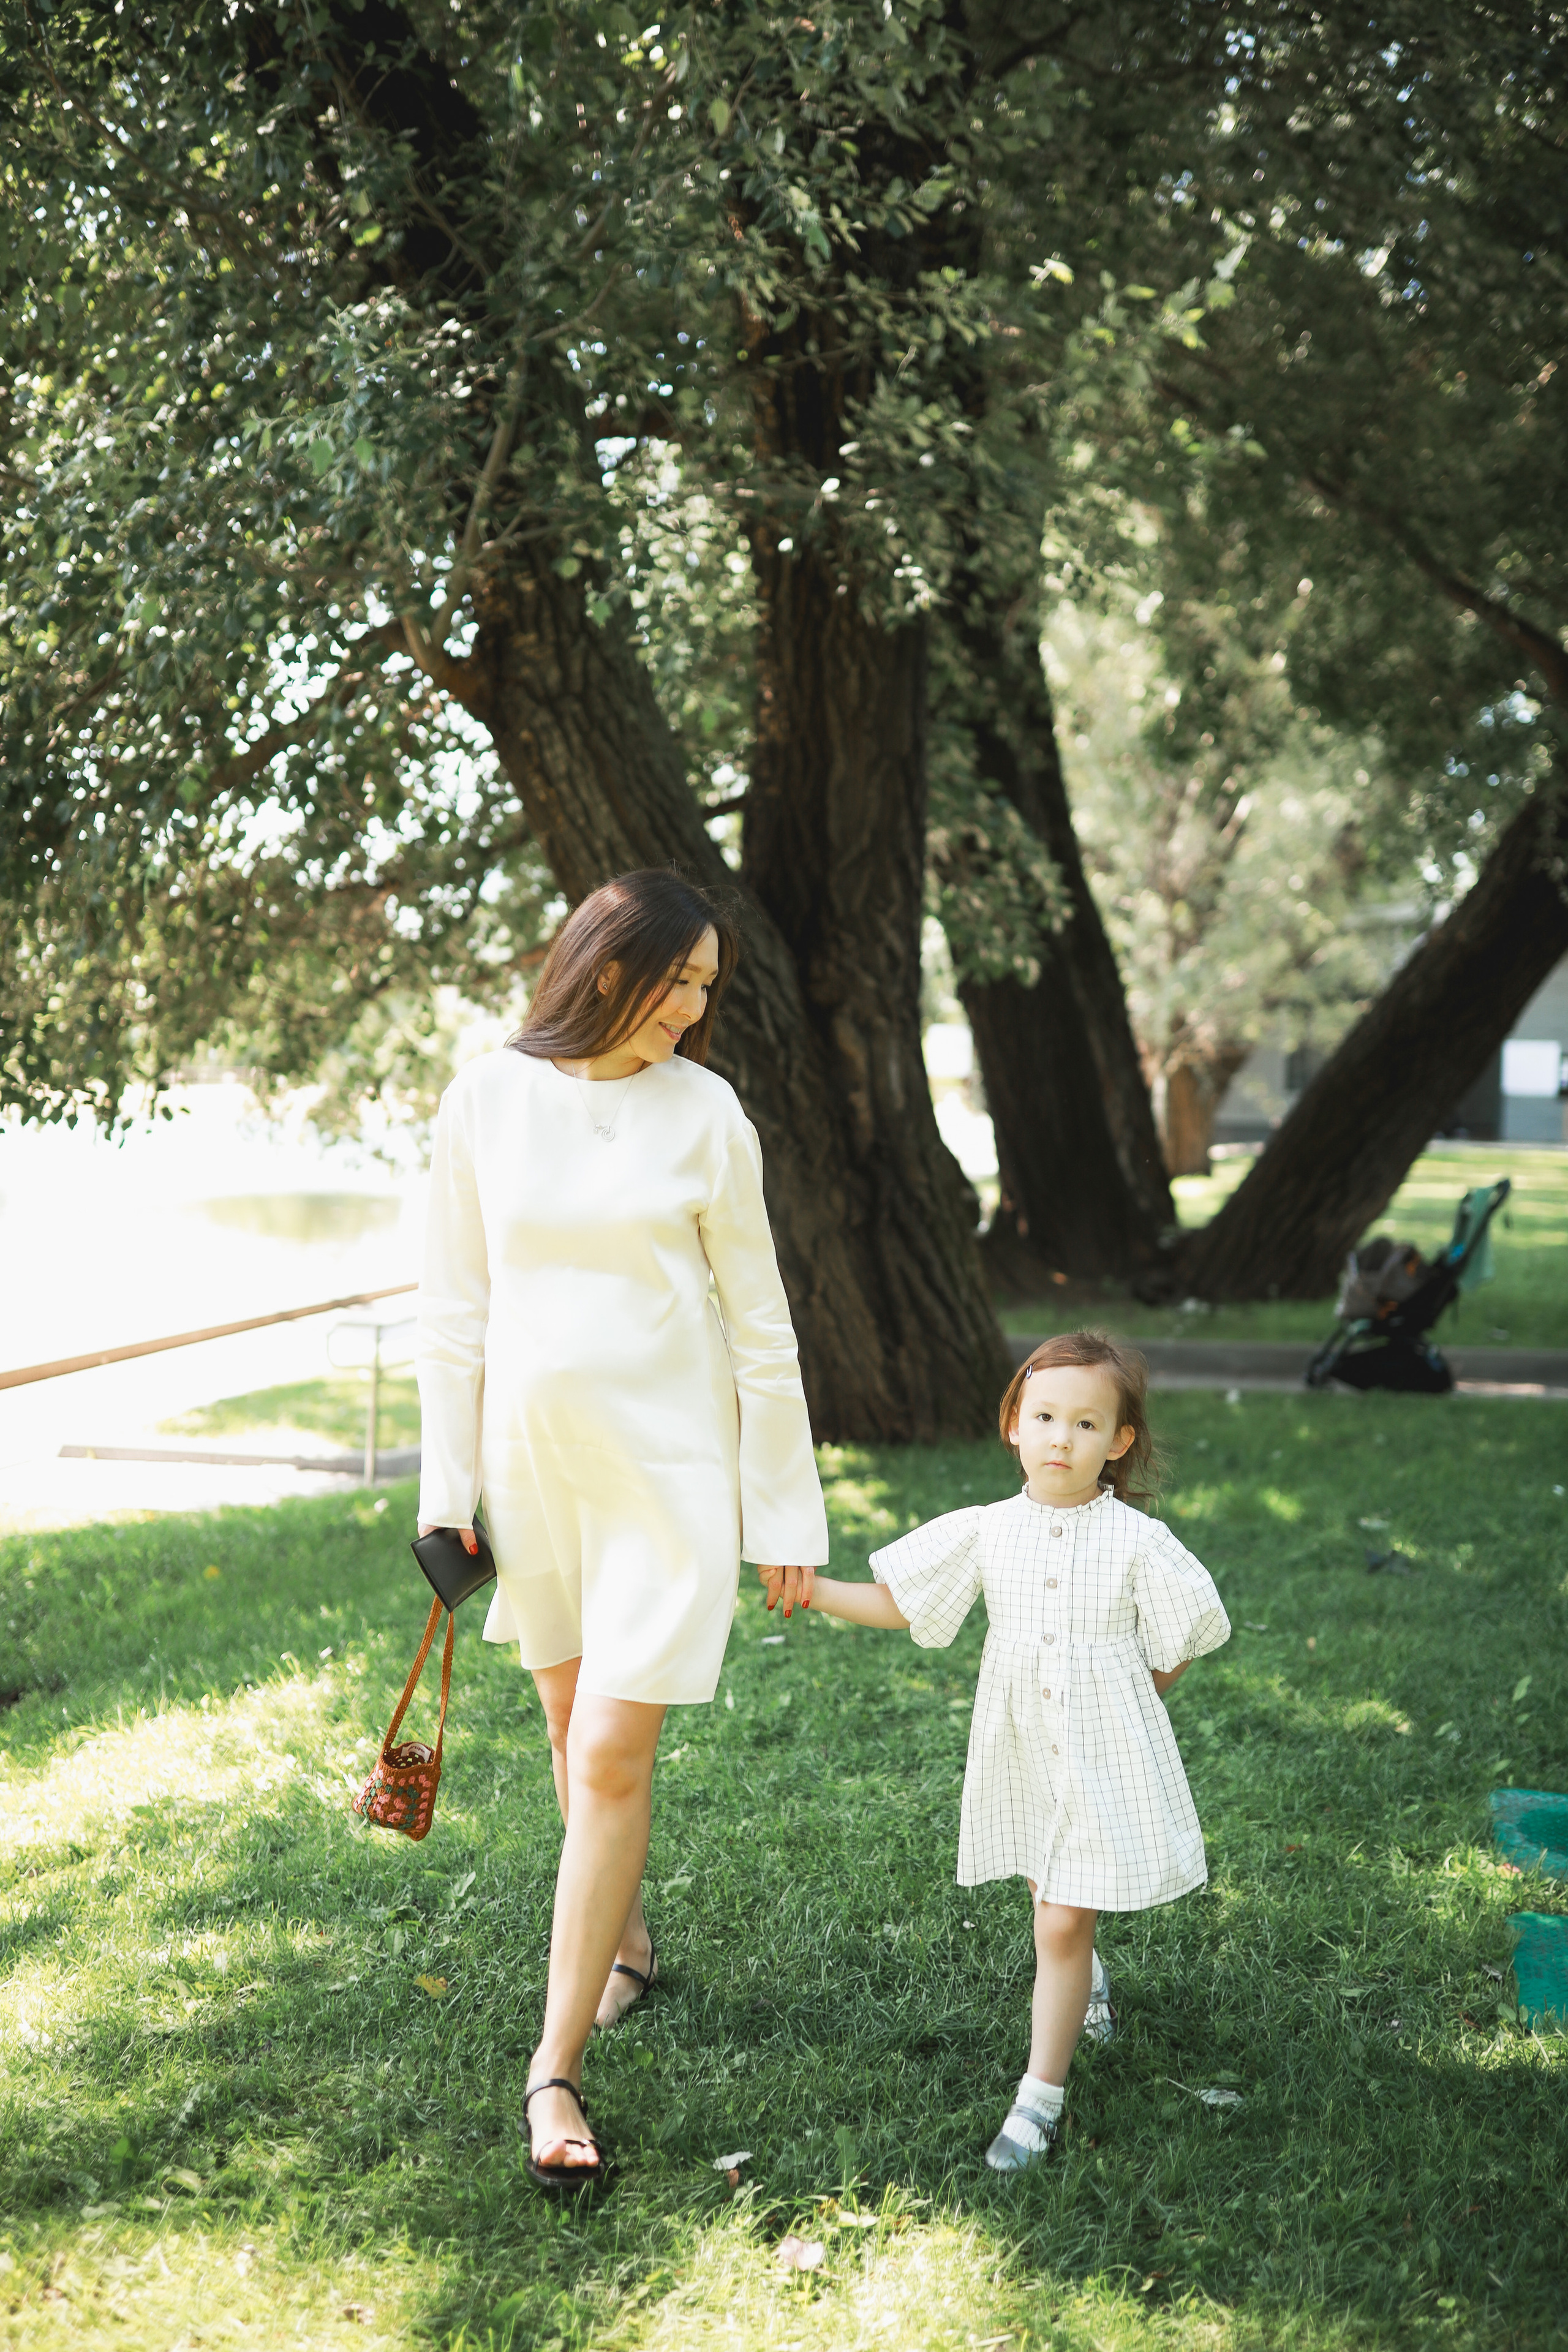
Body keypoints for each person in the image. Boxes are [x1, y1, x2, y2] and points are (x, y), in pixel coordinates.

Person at [417, 867, 827, 2193]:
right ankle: (628, 1945)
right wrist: (443, 1495)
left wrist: (783, 1511)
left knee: (604, 1757)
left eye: (710, 985)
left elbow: (760, 1330)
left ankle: (552, 2070)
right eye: (680, 979)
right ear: (604, 967)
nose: (696, 1006)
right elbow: (454, 1315)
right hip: (533, 1475)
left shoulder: (707, 1115)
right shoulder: (486, 1097)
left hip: (670, 1478)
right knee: (563, 1734)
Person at [763, 1329, 1228, 2171]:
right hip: (1022, 1746)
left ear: (1119, 1443)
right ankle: (1086, 1983)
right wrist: (811, 1588)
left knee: (1057, 1920)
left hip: (1101, 1748)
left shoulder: (1136, 1542)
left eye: (1088, 1425)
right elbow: (903, 1602)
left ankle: (1037, 2100)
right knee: (1046, 1883)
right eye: (1045, 1416)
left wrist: (1134, 1698)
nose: (1062, 1437)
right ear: (1014, 1423)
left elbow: (1190, 1629)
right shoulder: (986, 1530)